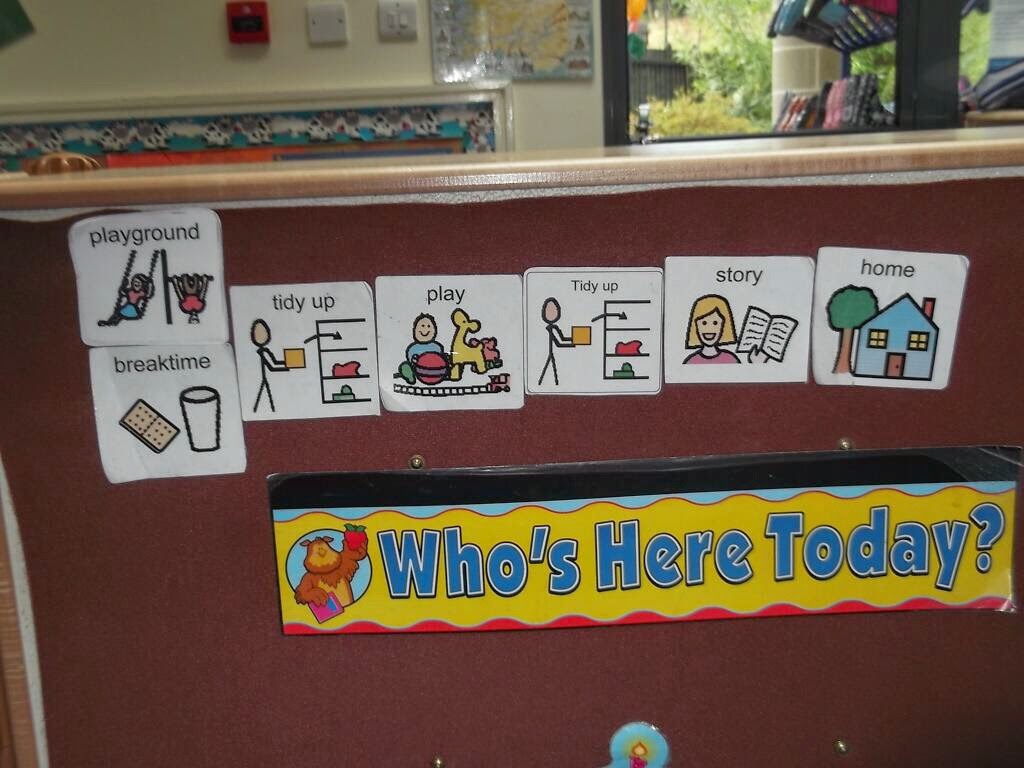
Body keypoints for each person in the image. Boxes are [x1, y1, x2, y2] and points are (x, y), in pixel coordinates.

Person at [683, 295, 769, 365]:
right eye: (704, 323)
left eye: (715, 323)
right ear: (695, 326)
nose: (709, 328)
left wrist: (756, 364)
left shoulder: (731, 359)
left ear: (724, 325)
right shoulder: (691, 362)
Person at [251, 319, 288, 413]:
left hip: (265, 379)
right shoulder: (260, 351)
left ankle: (265, 408)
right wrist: (286, 368)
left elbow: (275, 362)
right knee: (265, 392)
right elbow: (271, 367)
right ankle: (264, 409)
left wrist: (288, 362)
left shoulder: (266, 350)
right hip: (264, 378)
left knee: (266, 393)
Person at [538, 297, 574, 385]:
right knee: (551, 368)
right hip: (551, 352)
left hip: (552, 353)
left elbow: (563, 338)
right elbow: (558, 343)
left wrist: (575, 339)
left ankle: (551, 382)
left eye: (555, 310)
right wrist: (572, 344)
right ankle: (550, 382)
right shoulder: (549, 328)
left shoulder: (555, 327)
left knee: (552, 369)